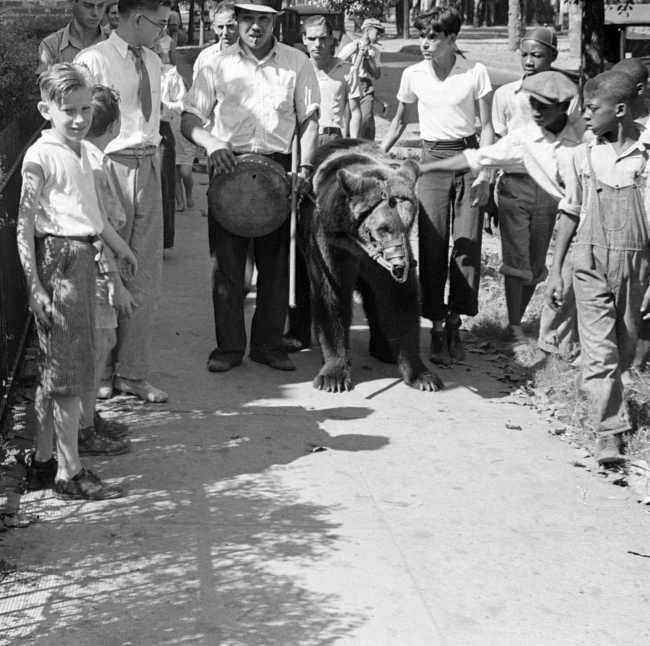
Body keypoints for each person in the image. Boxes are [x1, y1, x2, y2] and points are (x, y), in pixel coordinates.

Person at [17, 63, 136, 499]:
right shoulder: (40, 155)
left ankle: (44, 461)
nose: (80, 118)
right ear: (45, 110)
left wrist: (119, 247)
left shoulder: (82, 151)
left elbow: (91, 215)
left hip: (85, 252)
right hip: (61, 259)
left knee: (62, 368)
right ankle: (70, 472)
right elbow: (24, 224)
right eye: (69, 110)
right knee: (68, 373)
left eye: (86, 108)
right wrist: (34, 284)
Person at [181, 0, 320, 373]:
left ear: (275, 21)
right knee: (227, 267)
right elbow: (190, 117)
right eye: (248, 19)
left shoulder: (297, 63)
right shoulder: (215, 64)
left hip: (278, 172)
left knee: (276, 265)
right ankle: (228, 348)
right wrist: (210, 144)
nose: (255, 27)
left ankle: (268, 345)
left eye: (263, 19)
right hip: (229, 168)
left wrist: (305, 166)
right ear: (237, 21)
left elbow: (309, 120)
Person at [545, 71, 650, 466]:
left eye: (592, 108)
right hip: (588, 262)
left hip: (636, 263)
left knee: (624, 349)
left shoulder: (646, 157)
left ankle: (613, 399)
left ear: (619, 111)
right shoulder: (583, 156)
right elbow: (570, 213)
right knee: (598, 353)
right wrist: (556, 270)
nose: (584, 115)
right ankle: (609, 432)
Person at [381, 7, 494, 365]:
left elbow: (487, 126)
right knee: (431, 246)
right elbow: (399, 122)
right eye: (422, 36)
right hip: (431, 164)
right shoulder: (413, 74)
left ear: (451, 39)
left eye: (432, 37)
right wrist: (376, 156)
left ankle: (456, 320)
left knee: (467, 244)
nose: (425, 43)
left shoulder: (474, 73)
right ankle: (435, 323)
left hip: (468, 160)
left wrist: (486, 172)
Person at [75, 0, 171, 403]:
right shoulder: (92, 60)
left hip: (147, 166)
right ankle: (98, 372)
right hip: (107, 166)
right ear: (138, 19)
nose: (164, 32)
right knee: (103, 271)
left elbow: (152, 118)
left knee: (144, 273)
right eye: (160, 24)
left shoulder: (152, 59)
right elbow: (76, 122)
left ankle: (132, 373)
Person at [491, 27, 582, 349]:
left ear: (553, 57)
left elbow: (573, 139)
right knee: (515, 260)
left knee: (534, 261)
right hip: (514, 185)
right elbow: (498, 139)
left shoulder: (568, 97)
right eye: (525, 54)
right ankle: (515, 325)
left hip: (548, 189)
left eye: (538, 55)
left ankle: (520, 317)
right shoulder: (506, 94)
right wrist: (487, 181)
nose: (529, 61)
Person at [284, 14, 362, 352]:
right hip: (302, 148)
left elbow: (355, 111)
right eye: (311, 38)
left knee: (335, 237)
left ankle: (334, 323)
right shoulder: (298, 69)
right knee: (301, 240)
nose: (318, 44)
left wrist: (356, 151)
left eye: (323, 38)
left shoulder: (346, 71)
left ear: (334, 39)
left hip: (335, 148)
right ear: (304, 39)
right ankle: (299, 327)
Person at [78, 84, 134, 455]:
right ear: (115, 127)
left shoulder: (86, 157)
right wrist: (115, 273)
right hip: (96, 267)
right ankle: (83, 426)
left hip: (97, 261)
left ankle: (89, 417)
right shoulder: (94, 165)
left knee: (101, 343)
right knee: (98, 346)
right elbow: (97, 226)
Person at [338, 17, 384, 140]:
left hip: (365, 87)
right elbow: (338, 63)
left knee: (365, 119)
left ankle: (364, 145)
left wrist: (367, 57)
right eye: (377, 32)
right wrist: (356, 51)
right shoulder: (352, 45)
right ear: (368, 30)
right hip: (349, 85)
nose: (379, 36)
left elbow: (377, 74)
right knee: (347, 121)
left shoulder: (375, 52)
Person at [38, 0, 108, 72]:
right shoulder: (51, 45)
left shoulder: (115, 42)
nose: (95, 13)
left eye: (101, 6)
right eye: (88, 6)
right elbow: (46, 82)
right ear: (73, 3)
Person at [192, 1, 239, 80]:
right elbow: (196, 90)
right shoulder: (205, 57)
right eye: (220, 27)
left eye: (230, 26)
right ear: (214, 28)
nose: (225, 33)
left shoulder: (250, 57)